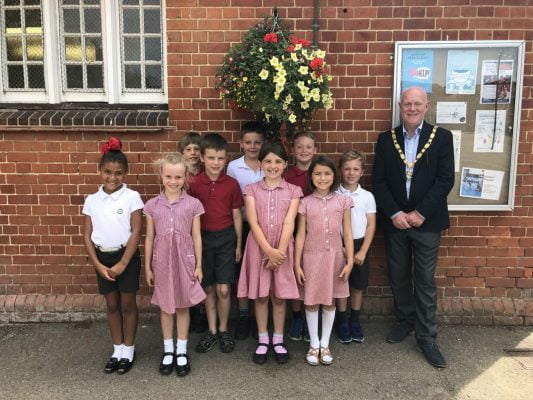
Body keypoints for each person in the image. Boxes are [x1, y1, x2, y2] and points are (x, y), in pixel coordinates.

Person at [372, 86, 454, 368]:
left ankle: (427, 337)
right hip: (396, 221)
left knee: (425, 280)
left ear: (426, 106)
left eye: (418, 104)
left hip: (426, 222)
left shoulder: (442, 138)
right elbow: (379, 181)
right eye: (407, 103)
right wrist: (395, 212)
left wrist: (420, 213)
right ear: (400, 105)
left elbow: (445, 180)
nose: (412, 108)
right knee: (398, 276)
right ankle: (405, 320)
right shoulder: (386, 140)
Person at [237, 142, 302, 365]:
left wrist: (279, 253)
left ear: (285, 164)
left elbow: (289, 222)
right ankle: (263, 338)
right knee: (262, 295)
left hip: (283, 248)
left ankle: (278, 339)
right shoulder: (252, 189)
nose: (272, 166)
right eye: (267, 161)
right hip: (258, 247)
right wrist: (268, 251)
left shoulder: (294, 191)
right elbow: (253, 222)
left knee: (279, 296)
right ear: (261, 164)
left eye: (277, 161)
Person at [82, 137, 143, 374]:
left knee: (128, 304)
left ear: (125, 173)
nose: (112, 177)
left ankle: (129, 349)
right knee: (111, 304)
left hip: (125, 257)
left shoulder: (131, 197)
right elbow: (87, 235)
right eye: (107, 172)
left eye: (118, 173)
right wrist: (97, 264)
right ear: (100, 171)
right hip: (103, 259)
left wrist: (123, 263)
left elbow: (137, 230)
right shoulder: (92, 201)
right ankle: (116, 349)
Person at [144, 153, 206, 377]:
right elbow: (149, 237)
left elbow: (197, 236)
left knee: (182, 305)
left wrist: (198, 265)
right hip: (162, 262)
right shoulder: (152, 205)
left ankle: (181, 350)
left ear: (185, 177)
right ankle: (168, 350)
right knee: (165, 306)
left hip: (185, 261)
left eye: (178, 177)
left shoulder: (193, 204)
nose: (173, 181)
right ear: (161, 176)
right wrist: (148, 267)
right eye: (169, 176)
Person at [294, 156, 354, 366]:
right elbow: (300, 235)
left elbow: (347, 232)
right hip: (311, 257)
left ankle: (325, 344)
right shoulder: (305, 202)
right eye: (318, 173)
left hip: (335, 257)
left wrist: (350, 261)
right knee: (310, 301)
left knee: (329, 301)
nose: (322, 177)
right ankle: (314, 343)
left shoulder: (343, 201)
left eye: (327, 173)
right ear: (311, 176)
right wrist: (296, 263)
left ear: (334, 176)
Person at [188, 133, 243, 354]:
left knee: (223, 288)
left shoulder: (231, 184)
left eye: (220, 158)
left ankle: (223, 329)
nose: (216, 163)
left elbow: (237, 214)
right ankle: (211, 331)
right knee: (208, 287)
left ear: (226, 159)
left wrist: (239, 243)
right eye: (211, 158)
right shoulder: (193, 184)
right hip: (202, 239)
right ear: (202, 157)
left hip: (226, 238)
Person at [227, 121, 265, 340]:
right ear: (241, 144)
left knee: (260, 271)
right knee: (242, 270)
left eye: (257, 142)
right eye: (248, 142)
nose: (252, 146)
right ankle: (243, 316)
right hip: (241, 225)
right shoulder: (233, 167)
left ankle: (260, 315)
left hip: (265, 227)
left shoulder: (268, 164)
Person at [336, 151, 376, 344]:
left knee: (357, 285)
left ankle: (354, 320)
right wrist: (342, 249)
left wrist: (362, 251)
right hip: (340, 245)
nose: (351, 173)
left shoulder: (367, 196)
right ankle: (342, 321)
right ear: (340, 171)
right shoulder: (334, 195)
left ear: (362, 172)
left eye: (355, 169)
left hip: (360, 246)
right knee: (341, 284)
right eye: (347, 169)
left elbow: (371, 225)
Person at [285, 131, 317, 342]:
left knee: (313, 276)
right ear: (292, 151)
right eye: (299, 147)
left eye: (308, 147)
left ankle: (311, 318)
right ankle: (297, 317)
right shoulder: (286, 175)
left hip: (316, 234)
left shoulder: (320, 172)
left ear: (315, 150)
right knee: (295, 275)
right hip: (293, 232)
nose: (304, 151)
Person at [178, 132, 207, 333]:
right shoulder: (178, 174)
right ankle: (190, 310)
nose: (193, 153)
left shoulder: (206, 173)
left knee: (201, 270)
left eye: (196, 149)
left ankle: (202, 309)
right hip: (184, 229)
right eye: (188, 149)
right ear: (181, 153)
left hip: (204, 225)